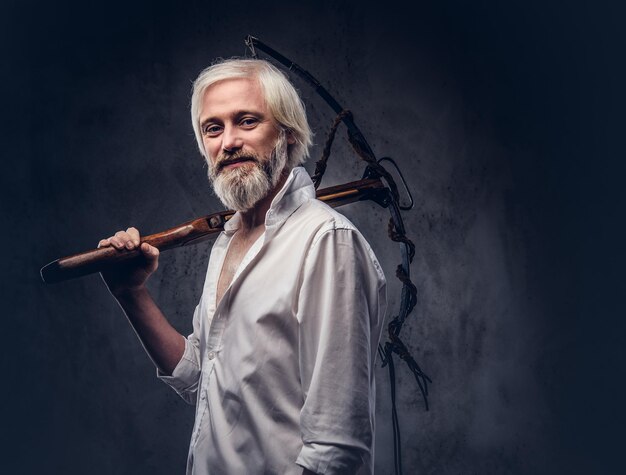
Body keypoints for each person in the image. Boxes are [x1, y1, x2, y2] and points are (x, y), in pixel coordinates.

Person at [98, 58, 387, 475]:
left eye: (246, 121)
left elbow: (336, 447)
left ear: (286, 134)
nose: (228, 141)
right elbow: (202, 376)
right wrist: (131, 295)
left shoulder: (325, 242)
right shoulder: (230, 239)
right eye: (213, 128)